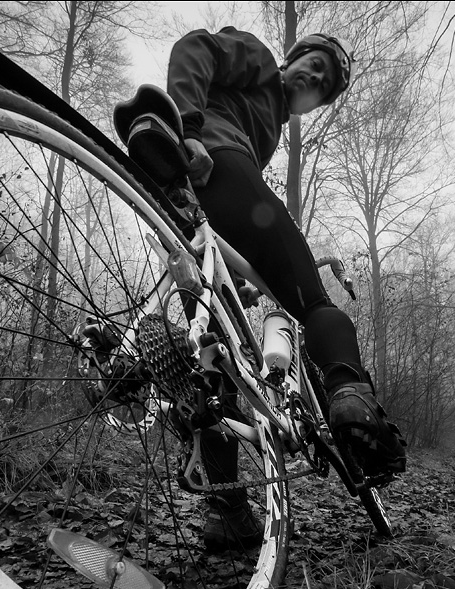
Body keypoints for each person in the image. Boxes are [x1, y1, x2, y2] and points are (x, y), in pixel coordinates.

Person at [163, 27, 406, 550]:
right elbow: (196, 48)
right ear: (291, 60)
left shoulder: (268, 121)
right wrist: (186, 128)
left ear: (315, 103)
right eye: (313, 65)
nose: (315, 79)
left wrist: (243, 280)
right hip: (216, 160)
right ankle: (350, 396)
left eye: (323, 85)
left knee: (213, 359)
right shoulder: (258, 58)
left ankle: (228, 510)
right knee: (312, 301)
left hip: (190, 208)